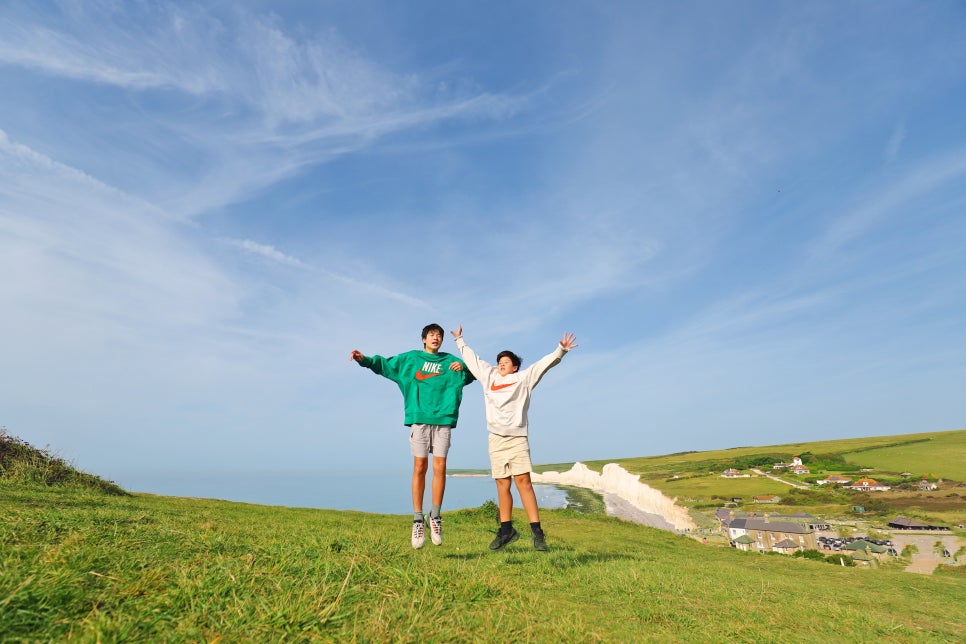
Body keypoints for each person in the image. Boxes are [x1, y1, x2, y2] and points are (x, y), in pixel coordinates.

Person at [450, 325, 578, 551]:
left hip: (517, 438)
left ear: (515, 366)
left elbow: (543, 365)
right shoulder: (488, 376)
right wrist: (460, 340)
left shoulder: (523, 379)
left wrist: (561, 351)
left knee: (523, 483)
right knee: (501, 483)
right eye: (500, 360)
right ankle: (507, 529)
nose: (501, 363)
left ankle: (537, 532)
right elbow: (473, 360)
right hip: (496, 439)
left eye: (506, 361)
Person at [350, 323, 475, 549]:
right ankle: (418, 519)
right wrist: (364, 360)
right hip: (419, 418)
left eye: (439, 335)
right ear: (424, 340)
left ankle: (435, 516)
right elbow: (385, 365)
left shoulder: (451, 363)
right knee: (419, 467)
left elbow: (477, 372)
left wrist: (464, 366)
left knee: (440, 468)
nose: (436, 338)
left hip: (444, 419)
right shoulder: (411, 360)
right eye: (431, 335)